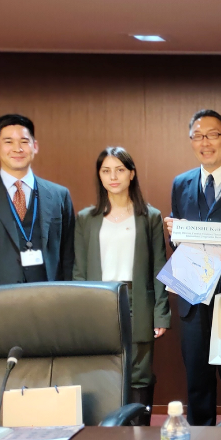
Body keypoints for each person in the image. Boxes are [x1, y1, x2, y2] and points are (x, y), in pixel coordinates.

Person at [165, 110, 221, 426]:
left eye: (213, 135)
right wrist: (174, 231)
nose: (206, 142)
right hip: (192, 293)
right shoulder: (181, 183)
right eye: (198, 136)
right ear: (191, 141)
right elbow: (179, 240)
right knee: (196, 374)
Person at [73, 147, 170, 425]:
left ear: (132, 174)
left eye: (119, 170)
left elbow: (159, 269)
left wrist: (161, 314)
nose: (113, 177)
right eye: (106, 171)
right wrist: (79, 312)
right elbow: (79, 271)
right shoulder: (86, 218)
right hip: (99, 302)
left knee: (140, 373)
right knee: (102, 369)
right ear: (99, 176)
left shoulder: (149, 216)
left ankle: (139, 433)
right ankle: (106, 435)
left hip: (138, 301)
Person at [0, 114, 74, 291]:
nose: (17, 149)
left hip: (49, 295)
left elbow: (68, 255)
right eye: (8, 142)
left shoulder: (59, 195)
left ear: (35, 146)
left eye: (24, 141)